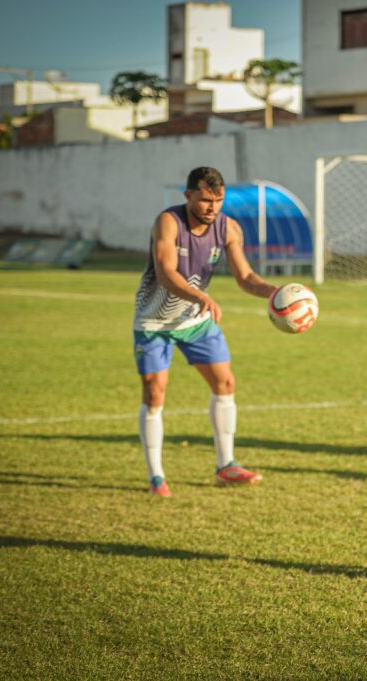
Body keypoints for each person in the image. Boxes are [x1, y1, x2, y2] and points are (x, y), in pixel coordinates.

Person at [133, 167, 277, 497]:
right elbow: (165, 272)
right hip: (153, 322)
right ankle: (156, 475)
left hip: (196, 321)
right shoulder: (168, 222)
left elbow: (245, 277)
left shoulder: (228, 228)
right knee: (155, 394)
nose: (212, 208)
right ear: (188, 196)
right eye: (205, 200)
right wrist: (201, 296)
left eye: (218, 201)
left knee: (225, 383)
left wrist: (274, 291)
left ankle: (226, 466)